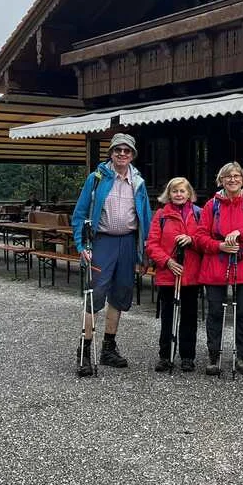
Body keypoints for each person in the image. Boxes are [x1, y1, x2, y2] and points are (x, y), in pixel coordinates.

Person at [70, 133, 153, 378]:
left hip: (128, 242)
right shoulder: (96, 179)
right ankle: (84, 351)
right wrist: (80, 244)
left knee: (120, 295)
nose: (122, 154)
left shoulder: (138, 182)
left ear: (132, 155)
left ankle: (108, 347)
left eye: (127, 151)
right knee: (94, 295)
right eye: (118, 150)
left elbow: (145, 218)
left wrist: (145, 252)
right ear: (111, 153)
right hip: (102, 242)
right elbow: (79, 214)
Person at [193, 162, 243, 375]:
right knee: (215, 311)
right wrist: (220, 245)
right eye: (227, 176)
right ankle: (214, 354)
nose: (232, 180)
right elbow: (199, 237)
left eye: (236, 176)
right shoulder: (211, 206)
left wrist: (240, 232)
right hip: (215, 264)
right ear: (221, 180)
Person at [144, 177, 203, 372]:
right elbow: (152, 245)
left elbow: (204, 239)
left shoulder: (198, 214)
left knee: (189, 317)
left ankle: (187, 356)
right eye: (175, 191)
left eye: (182, 191)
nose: (179, 194)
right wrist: (167, 261)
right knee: (168, 317)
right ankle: (165, 355)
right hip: (168, 275)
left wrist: (192, 239)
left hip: (191, 274)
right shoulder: (161, 216)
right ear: (169, 194)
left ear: (189, 194)